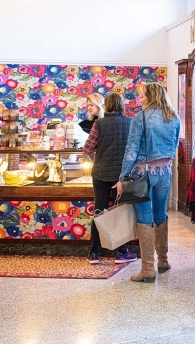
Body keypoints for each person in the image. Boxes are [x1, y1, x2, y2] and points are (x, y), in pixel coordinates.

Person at [113, 83, 180, 283]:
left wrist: (122, 177)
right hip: (164, 173)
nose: (140, 100)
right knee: (160, 214)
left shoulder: (140, 118)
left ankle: (148, 269)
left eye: (142, 96)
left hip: (142, 173)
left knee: (144, 217)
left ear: (151, 97)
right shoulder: (174, 117)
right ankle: (163, 261)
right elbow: (174, 146)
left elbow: (131, 150)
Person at [83, 92, 137, 265]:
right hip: (121, 176)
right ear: (122, 106)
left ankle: (94, 253)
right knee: (119, 213)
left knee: (99, 212)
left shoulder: (99, 123)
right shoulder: (130, 123)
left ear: (106, 106)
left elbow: (88, 149)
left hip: (100, 174)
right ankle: (121, 252)